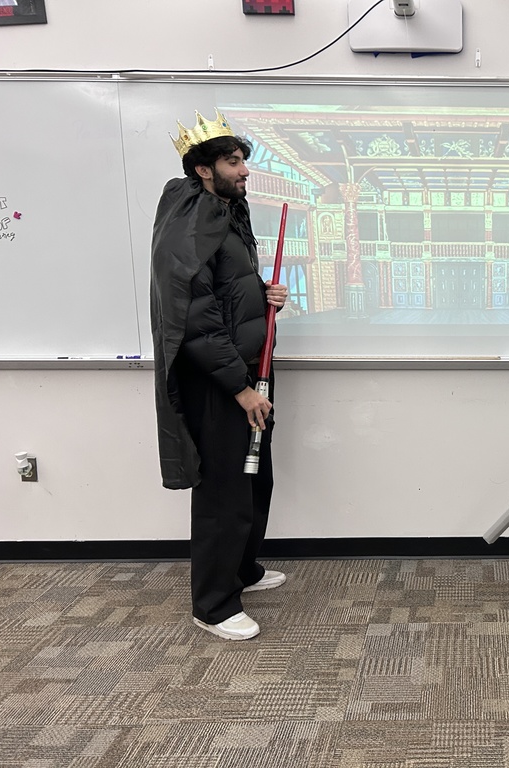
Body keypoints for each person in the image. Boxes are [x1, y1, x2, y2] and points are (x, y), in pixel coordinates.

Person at [150, 110, 289, 641]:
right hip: (220, 383)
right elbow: (195, 320)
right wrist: (239, 387)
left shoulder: (223, 213)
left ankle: (242, 570)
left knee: (256, 480)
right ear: (204, 169)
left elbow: (226, 290)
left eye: (243, 162)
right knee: (223, 491)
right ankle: (212, 603)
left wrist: (263, 293)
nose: (244, 171)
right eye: (234, 162)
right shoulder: (190, 221)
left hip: (250, 369)